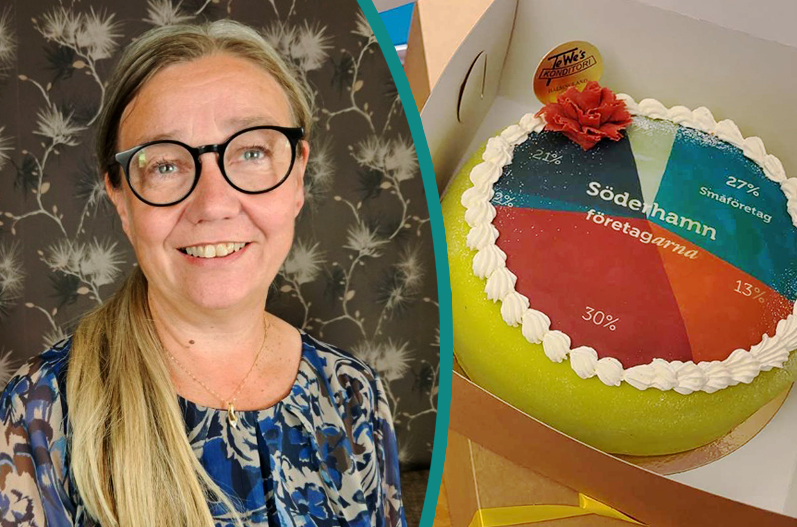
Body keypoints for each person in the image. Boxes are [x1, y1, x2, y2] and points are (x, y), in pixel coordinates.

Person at [0, 20, 405, 527]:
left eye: (252, 152)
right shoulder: (37, 416)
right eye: (165, 165)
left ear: (298, 175)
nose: (213, 204)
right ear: (120, 199)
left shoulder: (354, 394)